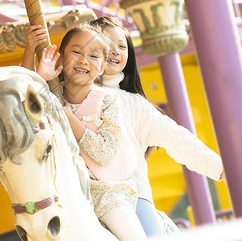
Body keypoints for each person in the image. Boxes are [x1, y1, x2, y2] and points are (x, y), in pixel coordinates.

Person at [23, 17, 224, 237]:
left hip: (130, 193)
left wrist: (221, 169)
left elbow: (178, 139)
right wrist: (32, 52)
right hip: (74, 192)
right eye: (108, 44)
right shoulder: (60, 94)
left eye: (122, 46)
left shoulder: (133, 104)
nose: (115, 51)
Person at [35, 24, 148, 241]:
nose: (84, 60)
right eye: (76, 52)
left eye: (94, 56)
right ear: (60, 57)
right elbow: (23, 114)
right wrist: (40, 77)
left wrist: (69, 118)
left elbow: (105, 153)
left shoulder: (107, 101)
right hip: (62, 192)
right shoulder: (50, 94)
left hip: (105, 192)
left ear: (103, 66)